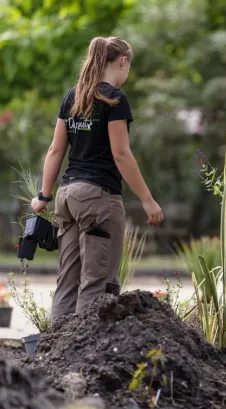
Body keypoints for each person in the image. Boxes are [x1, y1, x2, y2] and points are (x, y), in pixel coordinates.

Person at [31, 37, 163, 323]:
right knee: (97, 281)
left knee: (67, 282)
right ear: (123, 61)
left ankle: (56, 354)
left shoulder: (73, 96)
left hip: (67, 197)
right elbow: (121, 154)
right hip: (97, 199)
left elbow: (55, 150)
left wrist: (43, 197)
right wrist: (147, 199)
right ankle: (83, 359)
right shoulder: (114, 98)